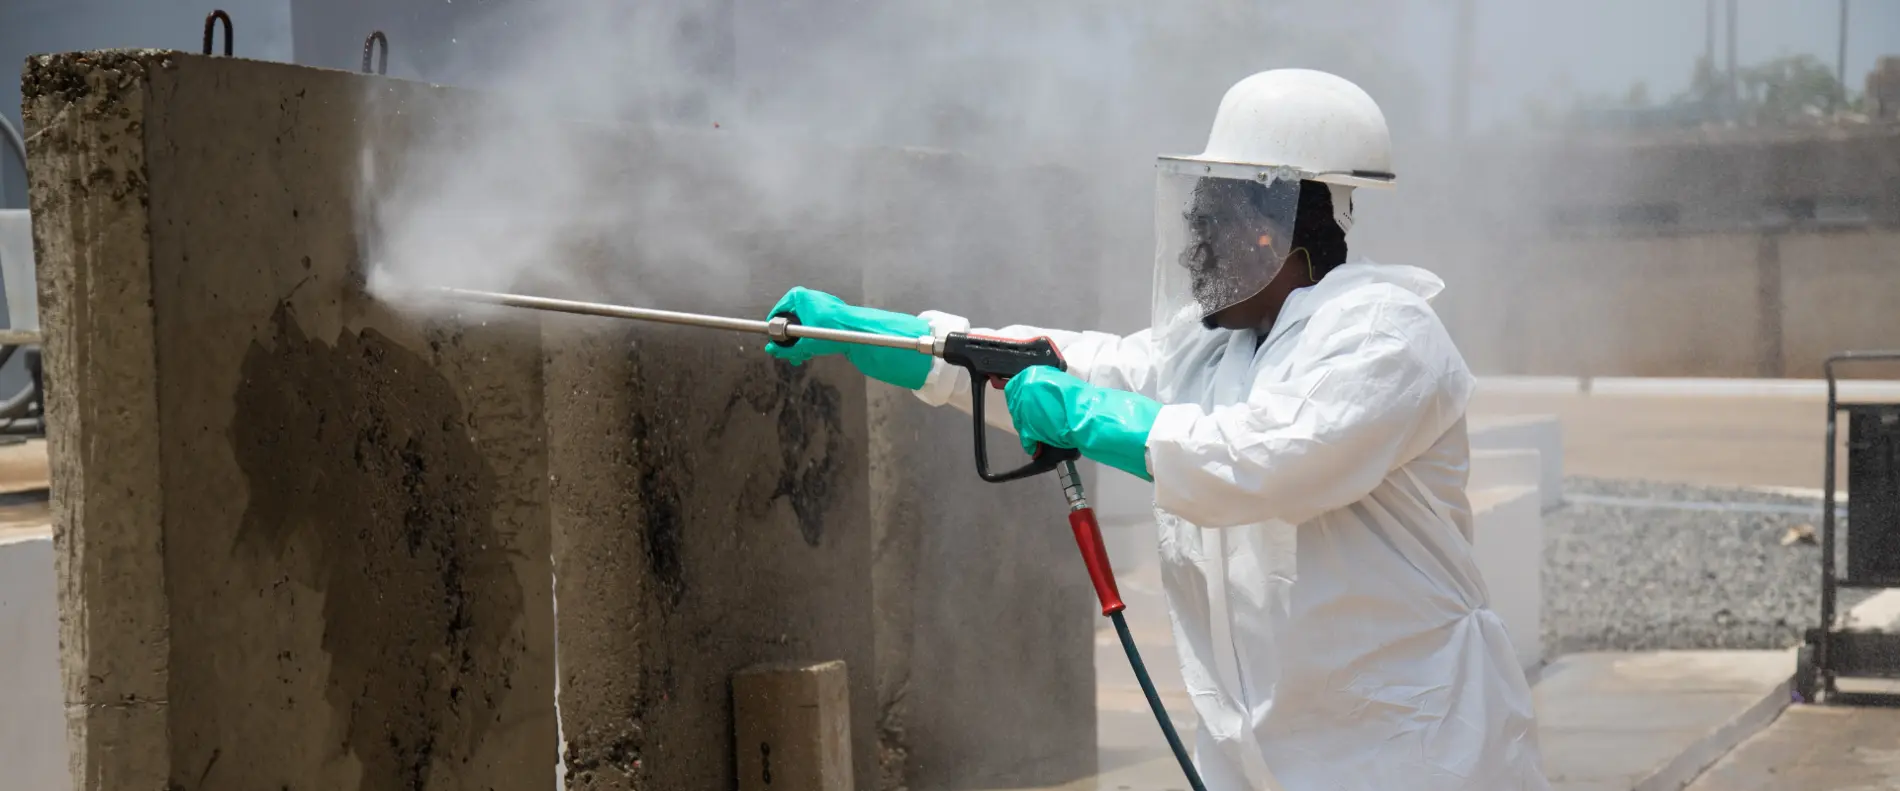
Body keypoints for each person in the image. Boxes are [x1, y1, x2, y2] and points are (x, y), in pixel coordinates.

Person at [763, 68, 1548, 791]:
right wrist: (897, 343)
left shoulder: (1383, 332)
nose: (1192, 247)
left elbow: (1267, 457)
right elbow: (1087, 368)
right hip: (1265, 762)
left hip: (1412, 755)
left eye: (1215, 222)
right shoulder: (1219, 346)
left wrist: (1094, 420)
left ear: (1274, 230)